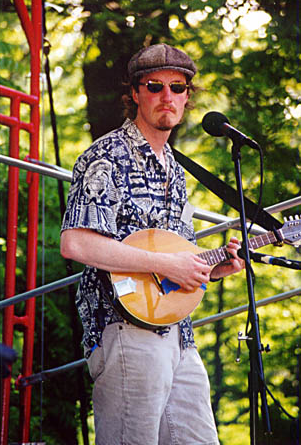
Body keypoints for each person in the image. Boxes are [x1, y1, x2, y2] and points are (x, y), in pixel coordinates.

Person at [60, 43, 244, 445]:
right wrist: (165, 266)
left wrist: (213, 266)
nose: (167, 96)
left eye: (177, 88)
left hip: (179, 333)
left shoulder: (175, 171)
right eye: (155, 85)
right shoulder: (106, 157)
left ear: (187, 97)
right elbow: (75, 243)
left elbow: (176, 259)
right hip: (126, 330)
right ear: (135, 93)